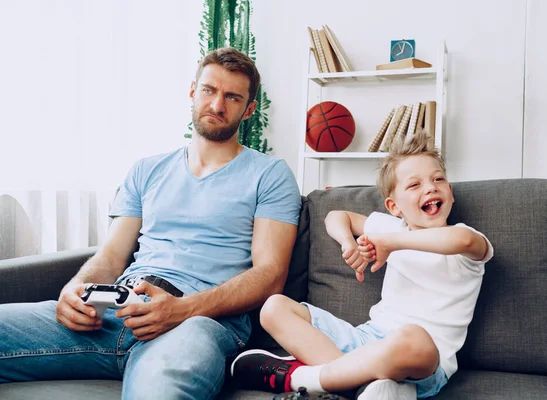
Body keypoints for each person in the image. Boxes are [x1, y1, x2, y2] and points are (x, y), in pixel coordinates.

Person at [0, 47, 301, 400]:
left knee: (158, 389)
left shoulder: (270, 174)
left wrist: (183, 309)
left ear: (249, 109)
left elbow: (270, 274)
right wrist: (75, 289)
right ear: (193, 91)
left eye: (232, 97)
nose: (218, 105)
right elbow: (112, 255)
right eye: (209, 90)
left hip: (195, 323)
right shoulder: (146, 170)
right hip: (117, 311)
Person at [231, 132, 494, 399]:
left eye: (438, 179)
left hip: (423, 359)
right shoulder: (390, 226)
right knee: (273, 307)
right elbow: (336, 216)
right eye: (414, 185)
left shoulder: (465, 241)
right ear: (394, 206)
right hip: (364, 342)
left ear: (450, 192)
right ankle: (366, 387)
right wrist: (348, 243)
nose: (430, 187)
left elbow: (460, 240)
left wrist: (390, 244)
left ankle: (304, 378)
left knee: (413, 337)